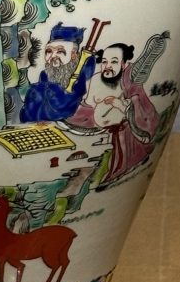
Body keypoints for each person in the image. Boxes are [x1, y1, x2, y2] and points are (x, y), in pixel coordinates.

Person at [66, 43, 158, 185]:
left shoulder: (130, 85)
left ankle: (120, 168)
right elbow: (88, 105)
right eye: (104, 62)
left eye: (114, 62)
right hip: (98, 123)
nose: (107, 66)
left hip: (122, 126)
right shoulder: (96, 79)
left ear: (123, 64)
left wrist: (120, 106)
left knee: (124, 135)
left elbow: (141, 112)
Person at [20, 24, 96, 122]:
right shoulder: (45, 74)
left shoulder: (79, 77)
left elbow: (65, 103)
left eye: (60, 51)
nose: (53, 56)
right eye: (49, 51)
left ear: (73, 54)